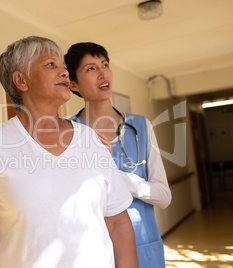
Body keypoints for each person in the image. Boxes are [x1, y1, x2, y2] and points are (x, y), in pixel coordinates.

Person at [0, 36, 138, 268]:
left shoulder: (92, 140)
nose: (64, 72)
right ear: (21, 80)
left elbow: (118, 224)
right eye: (51, 64)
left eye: (64, 67)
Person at [64, 42, 172, 268]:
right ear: (74, 84)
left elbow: (163, 196)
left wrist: (117, 177)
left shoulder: (141, 126)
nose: (102, 73)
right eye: (91, 68)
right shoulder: (68, 132)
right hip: (94, 251)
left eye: (105, 64)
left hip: (144, 248)